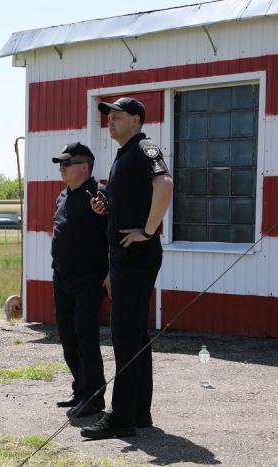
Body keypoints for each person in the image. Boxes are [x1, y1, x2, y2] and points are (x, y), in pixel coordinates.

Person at [81, 97, 173, 439]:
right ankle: (138, 412)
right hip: (125, 257)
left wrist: (147, 231)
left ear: (135, 120)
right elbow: (134, 200)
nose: (110, 121)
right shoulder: (124, 154)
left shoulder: (144, 149)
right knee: (135, 334)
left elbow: (165, 185)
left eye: (117, 116)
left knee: (124, 335)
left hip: (136, 256)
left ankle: (121, 418)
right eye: (108, 116)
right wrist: (106, 206)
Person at [51, 142, 108, 417]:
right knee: (68, 337)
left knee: (86, 337)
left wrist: (110, 273)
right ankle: (80, 390)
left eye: (66, 163)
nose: (61, 168)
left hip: (88, 280)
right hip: (62, 277)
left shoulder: (99, 196)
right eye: (60, 164)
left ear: (84, 167)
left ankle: (94, 398)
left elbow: (112, 235)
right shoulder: (63, 196)